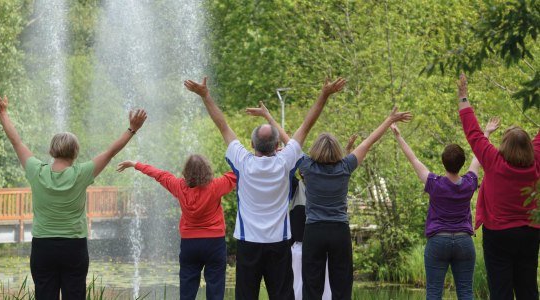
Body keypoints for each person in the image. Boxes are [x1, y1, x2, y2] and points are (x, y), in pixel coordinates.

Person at [184, 76, 346, 300]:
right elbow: (306, 126)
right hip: (279, 244)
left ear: (251, 145)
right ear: (278, 146)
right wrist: (323, 95)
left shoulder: (243, 162)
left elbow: (223, 126)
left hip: (248, 243)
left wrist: (206, 96)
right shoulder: (285, 162)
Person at [0, 91, 147, 299]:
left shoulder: (36, 171)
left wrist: (2, 113)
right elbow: (110, 152)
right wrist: (132, 129)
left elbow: (16, 141)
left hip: (43, 246)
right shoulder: (81, 174)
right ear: (75, 153)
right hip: (74, 247)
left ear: (52, 151)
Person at [300, 108, 411, 300]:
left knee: (311, 286)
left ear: (315, 149)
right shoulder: (345, 166)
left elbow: (289, 139)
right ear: (337, 150)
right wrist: (389, 119)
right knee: (342, 286)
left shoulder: (307, 167)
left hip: (314, 231)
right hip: (339, 231)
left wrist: (269, 117)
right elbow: (369, 142)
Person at [390, 119, 499, 299]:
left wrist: (399, 137)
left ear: (443, 162)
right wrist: (486, 133)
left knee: (434, 293)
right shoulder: (470, 183)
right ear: (462, 163)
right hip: (464, 242)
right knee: (466, 292)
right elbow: (478, 157)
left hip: (438, 242)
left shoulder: (434, 183)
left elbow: (413, 159)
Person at [457, 73, 540, 300]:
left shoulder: (493, 161)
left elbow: (473, 132)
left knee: (500, 292)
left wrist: (463, 97)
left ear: (503, 144)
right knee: (528, 290)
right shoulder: (536, 161)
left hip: (499, 234)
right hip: (530, 233)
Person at [116, 155, 236, 300]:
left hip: (189, 245)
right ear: (207, 171)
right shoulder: (216, 186)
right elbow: (241, 170)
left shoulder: (179, 187)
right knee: (215, 290)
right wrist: (262, 154)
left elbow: (158, 174)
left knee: (187, 292)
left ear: (186, 171)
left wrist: (135, 164)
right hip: (214, 243)